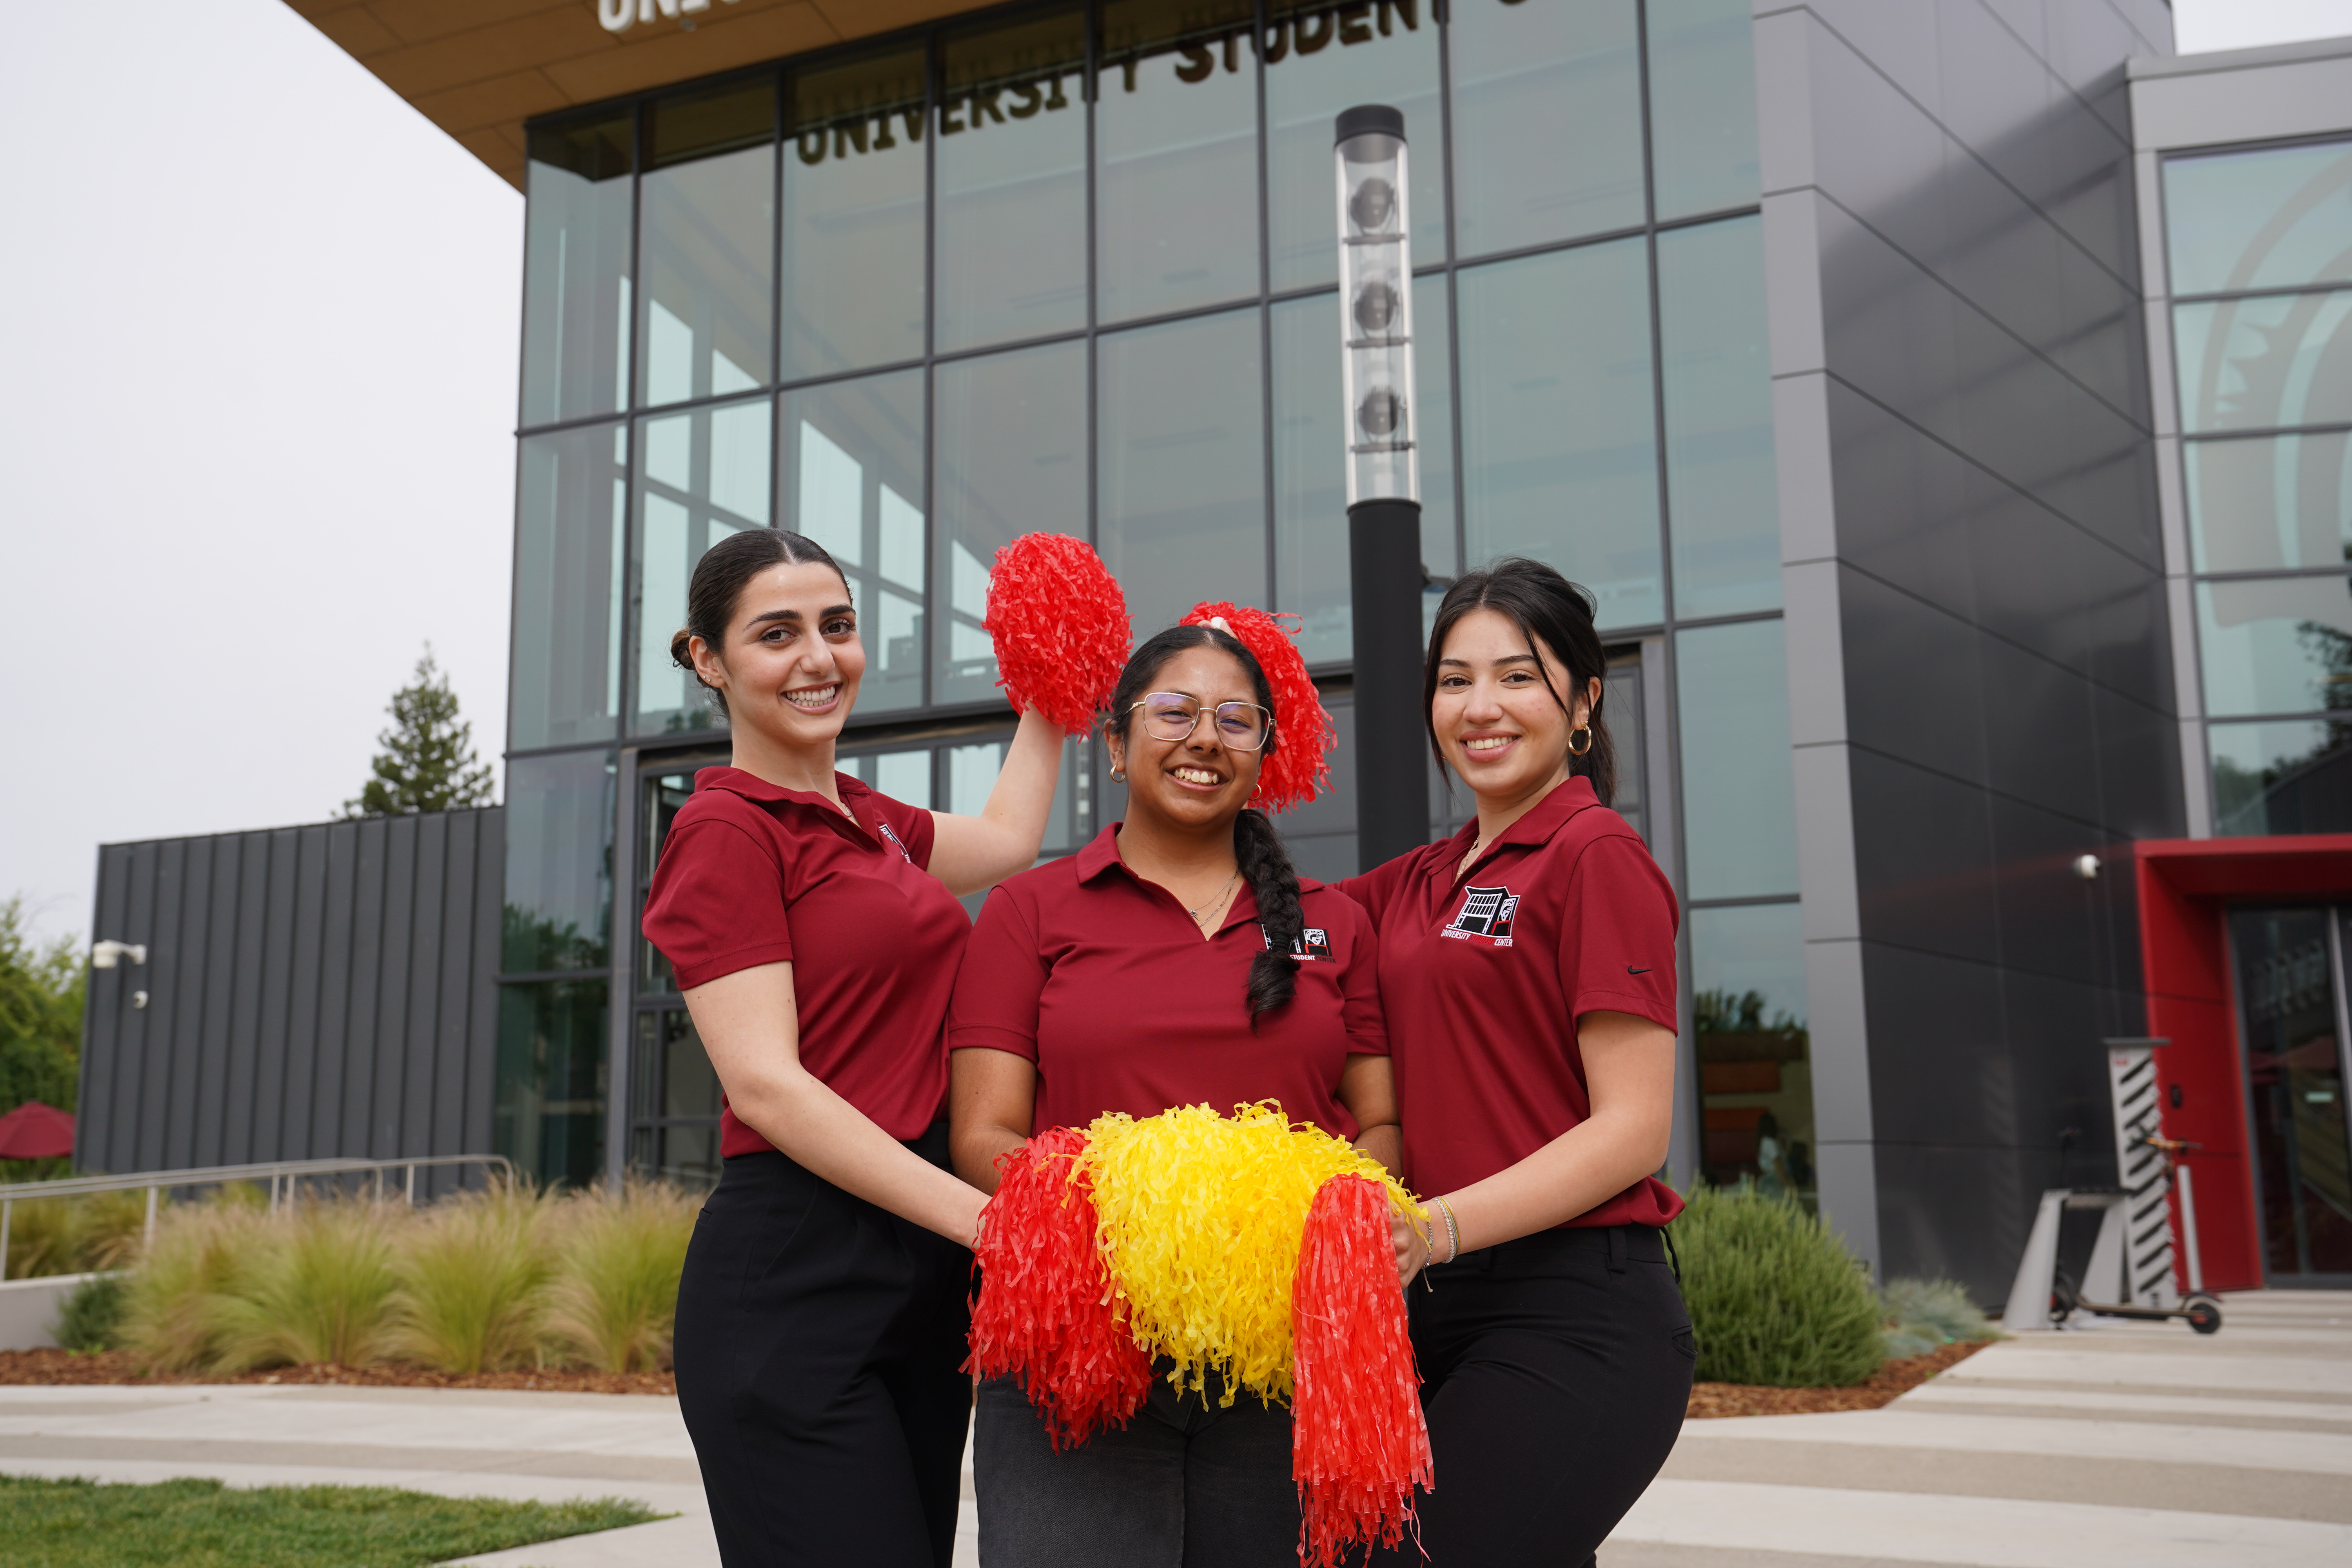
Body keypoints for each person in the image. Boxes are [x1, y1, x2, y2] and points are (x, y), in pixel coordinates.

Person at [947, 619, 1415, 1568]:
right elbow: (984, 1131)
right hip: (1078, 1354)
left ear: (1264, 755)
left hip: (1292, 1347)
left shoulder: (1335, 923)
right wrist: (1156, 1221)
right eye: (1175, 711)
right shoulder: (1032, 910)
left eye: (1236, 720)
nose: (1206, 738)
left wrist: (1344, 1214)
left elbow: (1380, 1119)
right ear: (1116, 742)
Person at [640, 527, 1064, 1568]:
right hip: (798, 1276)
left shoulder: (866, 820)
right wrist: (993, 1223)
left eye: (838, 627)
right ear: (708, 658)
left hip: (921, 1275)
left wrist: (1058, 678)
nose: (819, 659)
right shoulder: (728, 833)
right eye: (776, 635)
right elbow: (768, 1088)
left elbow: (1008, 842)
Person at [1340, 557, 1693, 1568]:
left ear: (1583, 700)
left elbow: (1635, 1128)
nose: (1479, 707)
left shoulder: (1595, 855)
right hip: (1434, 1312)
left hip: (1577, 1313)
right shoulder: (1415, 882)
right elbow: (1266, 927)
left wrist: (1434, 1227)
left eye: (1517, 676)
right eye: (1454, 680)